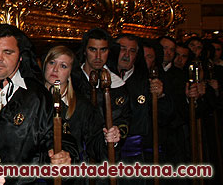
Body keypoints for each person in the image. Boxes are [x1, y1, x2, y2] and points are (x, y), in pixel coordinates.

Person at [0, 24, 75, 185]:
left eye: (8, 52)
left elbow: (57, 138)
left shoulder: (37, 97)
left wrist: (63, 154)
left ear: (20, 56)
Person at [42, 45, 119, 164]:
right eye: (52, 62)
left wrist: (108, 138)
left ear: (70, 72)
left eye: (63, 66)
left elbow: (95, 145)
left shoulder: (82, 106)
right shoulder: (32, 100)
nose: (55, 69)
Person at [70, 28, 130, 160]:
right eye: (93, 49)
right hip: (75, 157)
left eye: (103, 50)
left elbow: (123, 120)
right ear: (85, 51)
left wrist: (115, 133)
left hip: (103, 157)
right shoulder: (71, 81)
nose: (98, 56)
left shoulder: (117, 85)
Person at [114, 35, 172, 164]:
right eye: (122, 49)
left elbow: (165, 118)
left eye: (132, 51)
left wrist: (160, 96)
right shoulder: (103, 77)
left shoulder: (146, 82)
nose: (126, 55)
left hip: (136, 155)